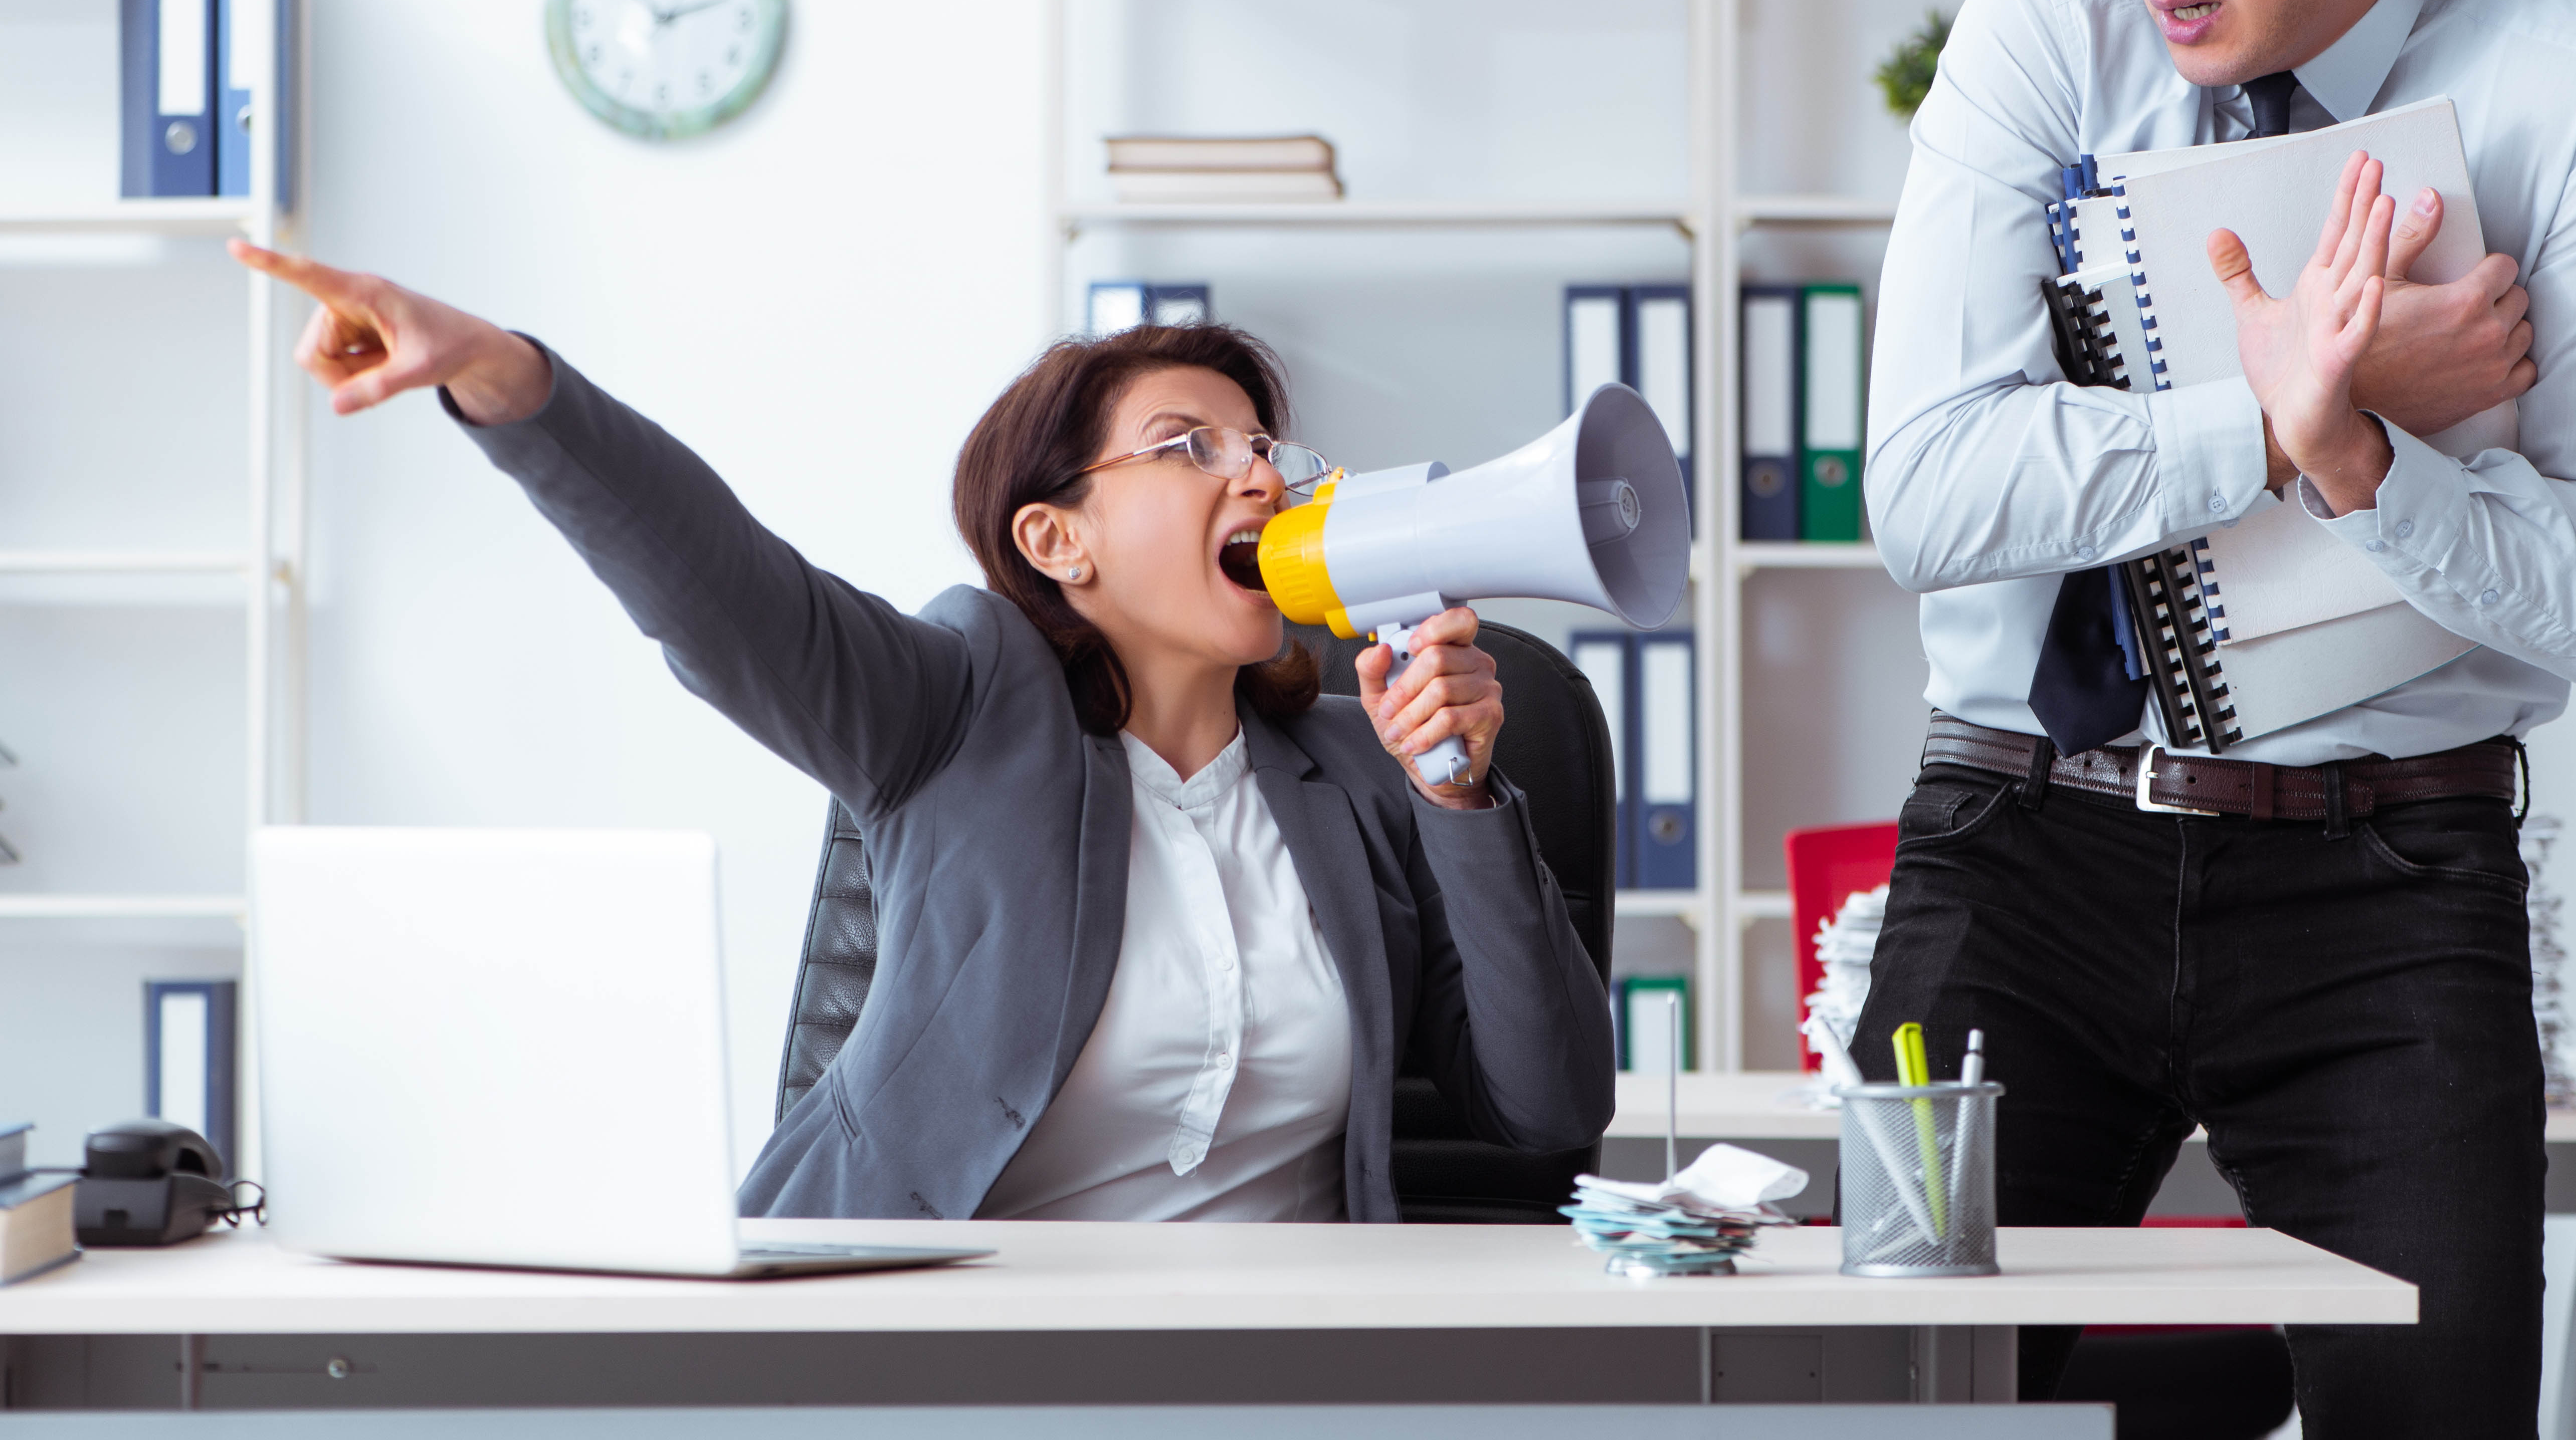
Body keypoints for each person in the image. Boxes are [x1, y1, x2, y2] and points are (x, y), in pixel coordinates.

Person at [1851, 0, 2576, 1433]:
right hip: (2021, 845)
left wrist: (2363, 460)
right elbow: (1925, 491)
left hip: (2388, 881)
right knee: (1877, 1406)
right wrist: (2279, 415)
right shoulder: (2040, 30)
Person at [231, 239, 1614, 1225]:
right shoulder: (957, 705)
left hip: (1273, 1378)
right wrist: (504, 378)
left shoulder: (1363, 773)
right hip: (938, 1354)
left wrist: (1460, 805)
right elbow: (724, 592)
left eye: (1267, 449)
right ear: (1056, 539)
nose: (1258, 474)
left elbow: (1549, 1113)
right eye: (1189, 444)